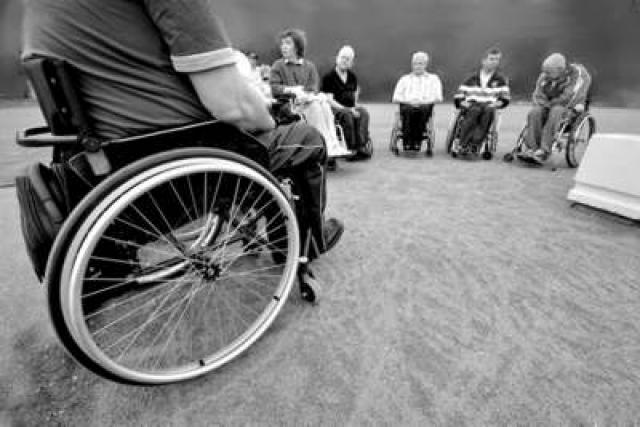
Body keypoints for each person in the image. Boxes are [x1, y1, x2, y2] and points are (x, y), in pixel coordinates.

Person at [22, 0, 343, 265]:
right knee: (304, 137)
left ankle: (275, 225)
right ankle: (307, 243)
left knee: (262, 137)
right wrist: (271, 122)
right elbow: (233, 106)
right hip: (176, 158)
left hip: (103, 164)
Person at [269, 28, 350, 170]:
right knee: (316, 106)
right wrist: (292, 90)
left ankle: (332, 143)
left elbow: (314, 87)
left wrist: (307, 94)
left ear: (297, 46)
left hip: (307, 101)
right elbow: (274, 88)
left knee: (323, 104)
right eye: (282, 44)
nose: (283, 47)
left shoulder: (309, 66)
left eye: (288, 43)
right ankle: (325, 144)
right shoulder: (278, 65)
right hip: (290, 105)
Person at [522, 53, 592, 163]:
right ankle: (532, 148)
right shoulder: (545, 76)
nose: (545, 74)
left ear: (560, 69)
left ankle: (544, 150)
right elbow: (537, 95)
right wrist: (543, 104)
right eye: (544, 71)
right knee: (535, 112)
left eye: (548, 72)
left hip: (571, 107)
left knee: (556, 111)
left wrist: (550, 105)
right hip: (549, 105)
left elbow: (570, 97)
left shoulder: (578, 75)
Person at [453, 47, 510, 153]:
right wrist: (464, 103)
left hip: (489, 105)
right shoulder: (471, 77)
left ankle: (475, 144)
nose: (494, 62)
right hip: (472, 104)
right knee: (475, 110)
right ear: (483, 61)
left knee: (487, 111)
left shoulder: (501, 79)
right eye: (491, 59)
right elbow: (459, 95)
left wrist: (495, 104)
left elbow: (505, 99)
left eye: (497, 59)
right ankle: (463, 144)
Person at [321, 45, 371, 160]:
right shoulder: (329, 77)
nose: (344, 61)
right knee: (347, 115)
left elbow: (354, 97)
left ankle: (361, 146)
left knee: (363, 112)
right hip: (335, 110)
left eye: (348, 59)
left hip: (350, 107)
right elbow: (329, 100)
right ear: (337, 59)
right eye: (343, 57)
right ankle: (350, 148)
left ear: (351, 63)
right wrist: (348, 109)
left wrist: (355, 107)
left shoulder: (352, 77)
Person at [392, 51, 443, 152]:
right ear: (412, 64)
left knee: (422, 109)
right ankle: (407, 142)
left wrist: (422, 102)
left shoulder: (433, 79)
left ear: (425, 64)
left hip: (425, 105)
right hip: (408, 104)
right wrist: (410, 101)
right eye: (415, 63)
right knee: (409, 110)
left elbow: (438, 97)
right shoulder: (404, 79)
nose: (417, 66)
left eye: (420, 63)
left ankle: (417, 141)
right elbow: (395, 97)